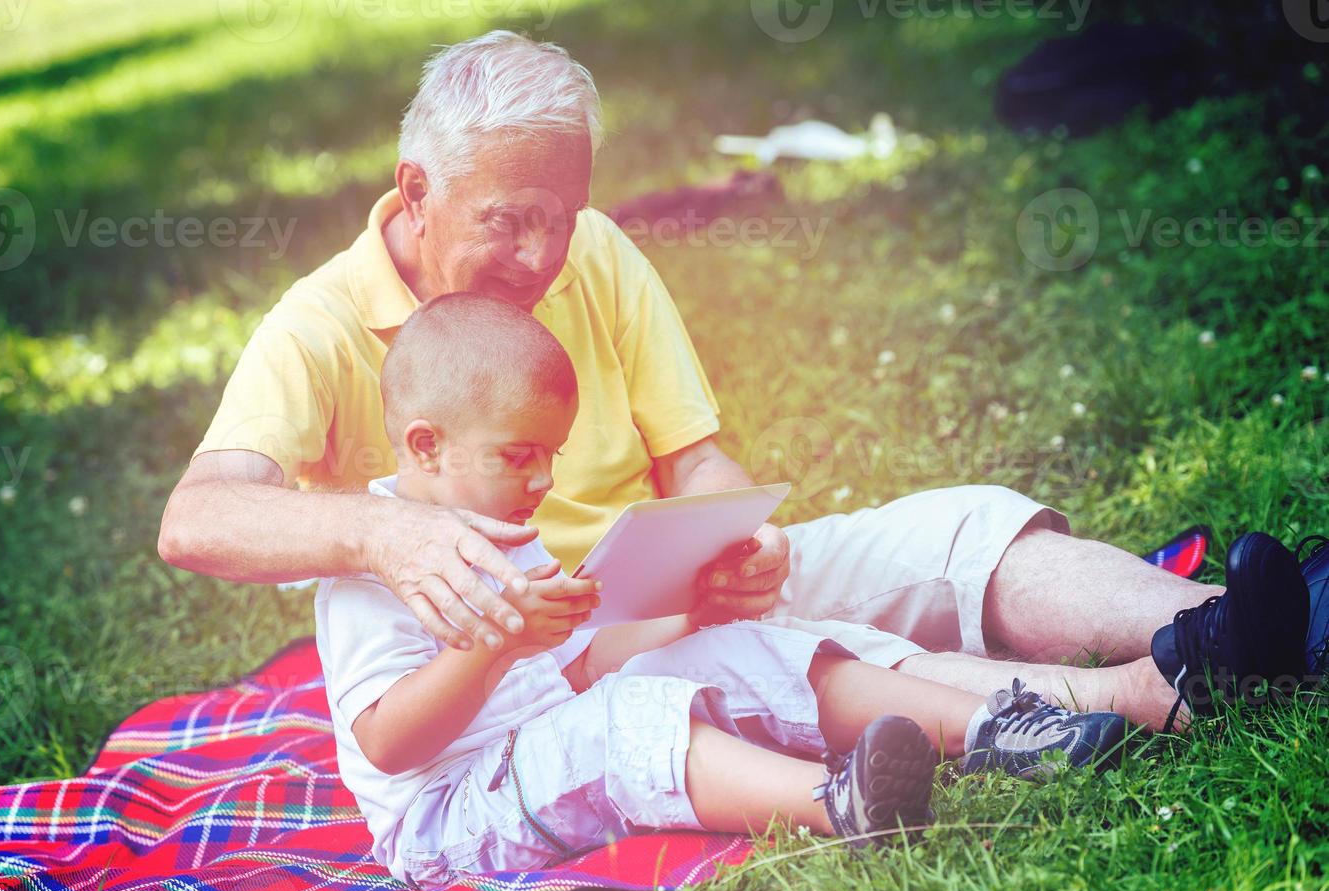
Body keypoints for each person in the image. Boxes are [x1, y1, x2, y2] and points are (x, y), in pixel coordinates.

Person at [161, 30, 1319, 741]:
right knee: (825, 653)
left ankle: (1237, 629)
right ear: (414, 190)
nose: (538, 256)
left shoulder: (598, 251)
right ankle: (1167, 680)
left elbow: (694, 456)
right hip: (550, 669)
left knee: (956, 525)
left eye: (556, 221)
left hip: (674, 592)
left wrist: (732, 533)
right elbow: (197, 519)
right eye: (504, 222)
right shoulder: (316, 325)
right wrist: (378, 536)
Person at [315, 293, 1132, 885]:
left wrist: (691, 613)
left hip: (547, 735)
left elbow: (579, 665)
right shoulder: (366, 576)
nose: (544, 477)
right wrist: (490, 648)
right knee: (616, 722)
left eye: (552, 454)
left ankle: (1001, 728)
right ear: (425, 447)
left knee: (730, 645)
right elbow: (390, 743)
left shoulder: (505, 533)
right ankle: (837, 805)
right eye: (518, 456)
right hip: (450, 815)